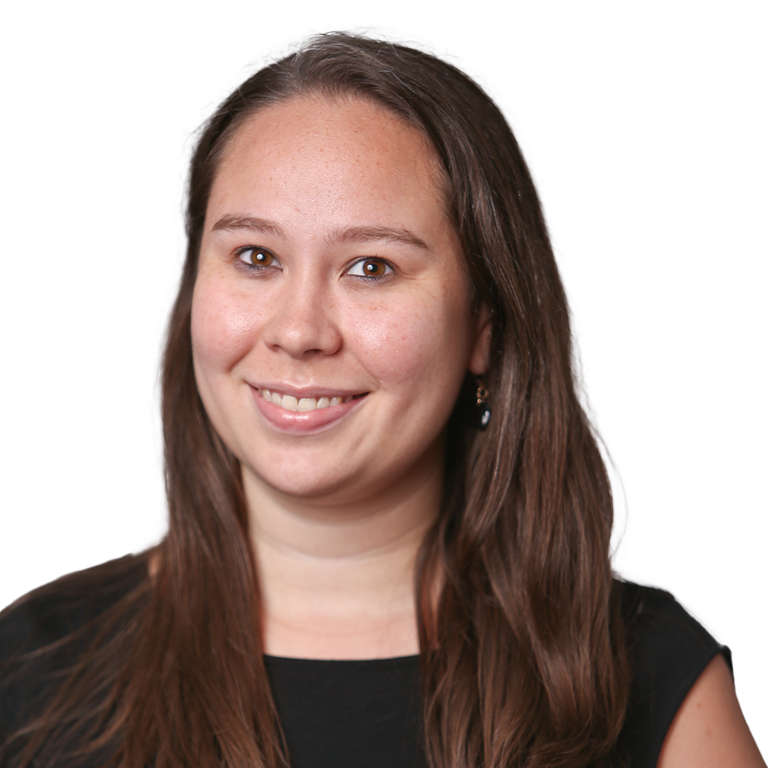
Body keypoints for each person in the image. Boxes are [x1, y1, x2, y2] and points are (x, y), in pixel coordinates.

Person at [0, 33, 764, 768]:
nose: (299, 332)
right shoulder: (27, 668)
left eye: (371, 267)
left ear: (484, 331)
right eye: (255, 256)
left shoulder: (651, 674)